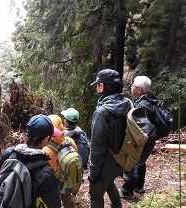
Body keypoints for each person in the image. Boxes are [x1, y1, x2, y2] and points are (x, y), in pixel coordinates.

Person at [0, 114, 62, 208]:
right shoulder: (46, 173)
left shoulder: (8, 154)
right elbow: (53, 204)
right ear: (46, 139)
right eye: (51, 137)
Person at [89, 69, 131, 208]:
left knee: (96, 195)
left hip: (103, 166)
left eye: (97, 84)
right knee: (110, 184)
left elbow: (97, 149)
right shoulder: (127, 103)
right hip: (119, 161)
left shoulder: (102, 113)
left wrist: (93, 173)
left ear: (102, 86)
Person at [119, 76, 158, 199]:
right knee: (141, 161)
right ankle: (139, 186)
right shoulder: (151, 100)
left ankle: (127, 191)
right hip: (149, 139)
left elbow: (138, 127)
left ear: (139, 90)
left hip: (142, 140)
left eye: (133, 86)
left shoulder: (142, 106)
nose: (131, 88)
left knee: (133, 163)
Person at [42, 114, 79, 208]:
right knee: (66, 197)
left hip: (53, 182)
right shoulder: (70, 141)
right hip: (66, 177)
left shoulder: (46, 150)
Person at [61, 107, 90, 204]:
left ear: (66, 122)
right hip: (81, 163)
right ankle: (74, 195)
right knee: (77, 177)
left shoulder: (63, 135)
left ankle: (68, 196)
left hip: (69, 164)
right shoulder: (81, 132)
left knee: (67, 179)